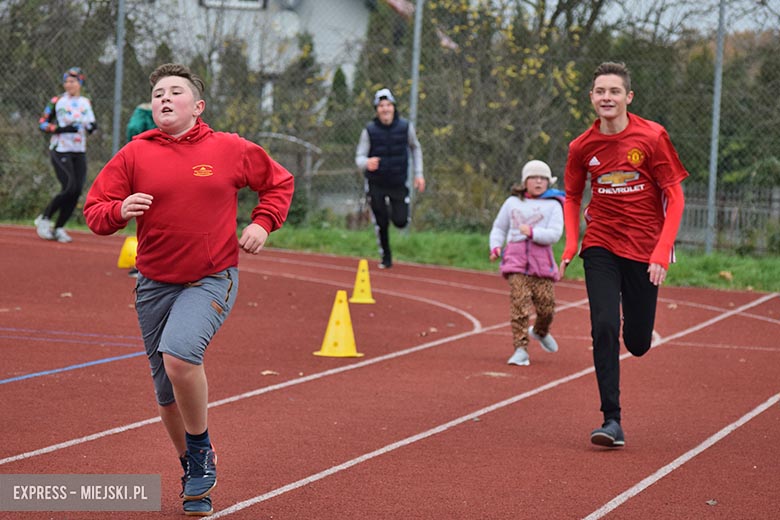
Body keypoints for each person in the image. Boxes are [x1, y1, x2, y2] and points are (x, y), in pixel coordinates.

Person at [83, 63, 294, 516]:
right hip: (154, 284)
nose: (164, 98)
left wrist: (263, 223)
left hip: (211, 277)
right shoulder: (134, 154)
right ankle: (192, 466)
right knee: (166, 393)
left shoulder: (230, 149)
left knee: (180, 356)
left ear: (197, 107)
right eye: (157, 92)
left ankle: (199, 450)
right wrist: (120, 208)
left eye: (174, 91)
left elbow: (279, 182)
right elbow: (95, 211)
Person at [559, 61, 687, 448]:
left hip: (645, 248)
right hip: (600, 244)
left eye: (614, 91)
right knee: (603, 325)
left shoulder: (652, 137)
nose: (606, 98)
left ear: (628, 97)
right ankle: (611, 419)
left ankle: (638, 328)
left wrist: (662, 251)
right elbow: (570, 195)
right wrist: (570, 243)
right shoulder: (582, 146)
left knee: (637, 342)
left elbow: (675, 196)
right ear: (592, 98)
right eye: (600, 91)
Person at [489, 160, 564, 366]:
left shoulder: (554, 205)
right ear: (525, 181)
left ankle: (540, 331)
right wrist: (495, 246)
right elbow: (499, 227)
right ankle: (520, 349)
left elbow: (555, 234)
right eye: (534, 178)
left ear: (548, 182)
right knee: (519, 305)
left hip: (542, 265)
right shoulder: (512, 203)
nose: (538, 182)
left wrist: (533, 233)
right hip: (516, 263)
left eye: (543, 178)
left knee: (546, 307)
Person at [355, 88, 424, 269]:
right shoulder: (369, 131)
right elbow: (359, 157)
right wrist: (366, 162)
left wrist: (419, 174)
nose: (385, 109)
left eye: (388, 105)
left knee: (400, 221)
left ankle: (392, 208)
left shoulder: (405, 127)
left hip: (398, 181)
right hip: (376, 182)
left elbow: (416, 148)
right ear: (377, 109)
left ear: (393, 107)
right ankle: (386, 256)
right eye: (381, 106)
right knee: (381, 221)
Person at [35, 67, 97, 243]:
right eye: (66, 81)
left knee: (77, 191)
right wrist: (60, 129)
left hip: (79, 151)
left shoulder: (86, 102)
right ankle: (44, 218)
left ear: (80, 83)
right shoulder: (57, 101)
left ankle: (59, 227)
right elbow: (42, 123)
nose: (69, 84)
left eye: (73, 81)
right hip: (61, 149)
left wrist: (92, 127)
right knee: (69, 186)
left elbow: (91, 123)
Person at [125, 102, 158, 277]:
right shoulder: (184, 110)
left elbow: (133, 129)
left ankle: (145, 262)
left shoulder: (143, 111)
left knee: (146, 213)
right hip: (163, 165)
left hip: (146, 163)